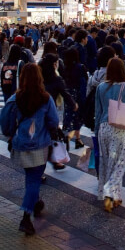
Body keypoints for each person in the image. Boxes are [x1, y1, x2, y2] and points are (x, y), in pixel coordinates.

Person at [8, 63, 60, 235]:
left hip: (21, 144)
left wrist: (10, 132)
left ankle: (35, 202)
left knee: (31, 177)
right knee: (34, 180)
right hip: (40, 145)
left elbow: (4, 120)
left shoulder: (15, 98)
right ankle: (25, 217)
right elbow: (53, 121)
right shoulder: (45, 98)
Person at [94, 57, 125, 211]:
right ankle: (110, 193)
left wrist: (96, 131)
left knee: (106, 162)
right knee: (118, 164)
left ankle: (114, 195)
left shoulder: (100, 87)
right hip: (118, 129)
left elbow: (98, 111)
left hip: (103, 128)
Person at [61, 47, 88, 150]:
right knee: (78, 118)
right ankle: (76, 138)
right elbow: (84, 83)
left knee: (68, 116)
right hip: (78, 95)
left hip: (68, 95)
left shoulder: (65, 68)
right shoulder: (80, 67)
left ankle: (70, 136)